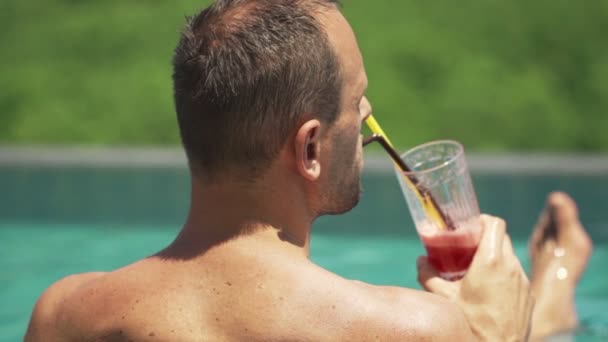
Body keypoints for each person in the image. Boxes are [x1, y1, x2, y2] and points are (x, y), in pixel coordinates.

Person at [25, 1, 593, 341]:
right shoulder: (414, 330)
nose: (368, 121)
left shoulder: (63, 315)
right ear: (311, 148)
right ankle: (553, 296)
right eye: (358, 101)